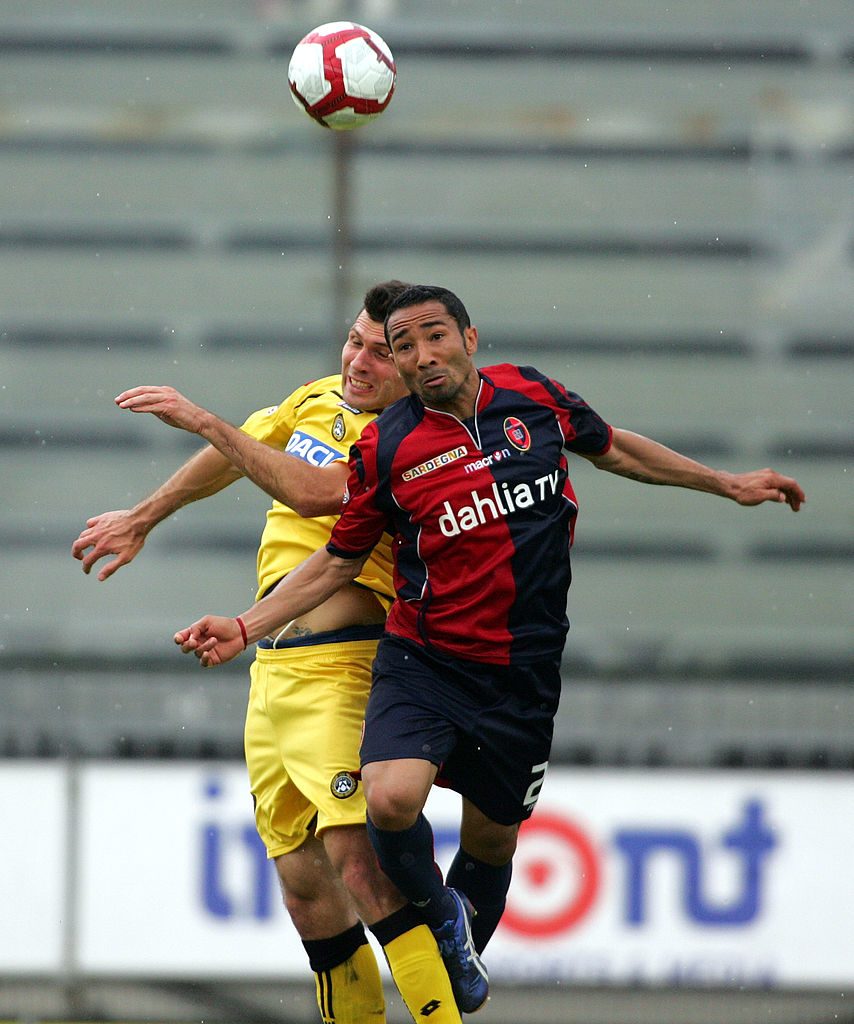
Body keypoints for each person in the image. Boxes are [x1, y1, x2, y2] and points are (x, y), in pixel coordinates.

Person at [172, 284, 806, 1014]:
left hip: (523, 669)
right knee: (388, 798)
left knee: (494, 842)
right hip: (425, 656)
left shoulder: (533, 397)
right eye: (399, 346)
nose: (419, 356)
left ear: (471, 339)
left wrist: (726, 483)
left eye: (430, 337)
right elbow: (338, 554)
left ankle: (458, 934)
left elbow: (616, 448)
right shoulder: (388, 444)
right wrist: (249, 625)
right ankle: (440, 912)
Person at [72, 281, 469, 1024]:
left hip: (342, 665)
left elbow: (314, 491)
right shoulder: (317, 398)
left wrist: (199, 418)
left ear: (414, 368)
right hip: (273, 671)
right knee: (305, 888)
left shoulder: (410, 439)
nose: (358, 362)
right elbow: (243, 454)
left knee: (360, 864)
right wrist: (145, 517)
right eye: (355, 341)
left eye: (382, 354)